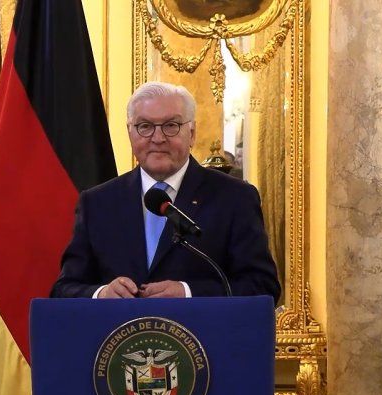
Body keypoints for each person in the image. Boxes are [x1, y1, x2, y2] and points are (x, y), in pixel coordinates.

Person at [51, 82, 280, 302]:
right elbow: (64, 289)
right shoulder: (97, 202)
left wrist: (188, 293)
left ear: (192, 133)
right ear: (130, 133)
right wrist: (101, 294)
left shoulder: (235, 198)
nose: (158, 138)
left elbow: (262, 286)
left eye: (171, 125)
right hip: (120, 339)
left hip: (203, 338)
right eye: (145, 126)